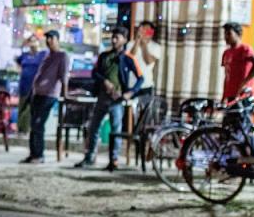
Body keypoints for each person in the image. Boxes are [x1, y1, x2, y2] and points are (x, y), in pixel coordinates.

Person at [75, 26, 143, 171]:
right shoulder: (104, 56)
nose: (114, 40)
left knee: (115, 130)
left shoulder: (128, 58)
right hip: (102, 97)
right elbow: (95, 73)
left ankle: (114, 160)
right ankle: (90, 157)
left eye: (117, 38)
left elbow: (140, 78)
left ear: (124, 40)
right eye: (113, 37)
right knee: (94, 128)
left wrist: (130, 93)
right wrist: (104, 81)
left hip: (117, 100)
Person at [20, 30, 69, 164]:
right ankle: (33, 153)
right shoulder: (47, 55)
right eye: (47, 38)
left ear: (57, 39)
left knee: (38, 124)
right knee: (33, 124)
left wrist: (65, 94)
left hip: (49, 94)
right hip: (37, 93)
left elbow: (64, 75)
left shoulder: (62, 56)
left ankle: (39, 155)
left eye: (51, 38)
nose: (49, 41)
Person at [221, 22, 254, 151]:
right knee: (228, 127)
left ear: (238, 34)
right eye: (225, 34)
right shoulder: (226, 53)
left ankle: (252, 154)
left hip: (244, 95)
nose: (226, 37)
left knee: (242, 127)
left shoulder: (245, 49)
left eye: (229, 34)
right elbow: (226, 75)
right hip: (231, 95)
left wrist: (244, 82)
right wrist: (223, 95)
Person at [15, 34, 47, 135]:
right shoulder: (24, 55)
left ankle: (25, 128)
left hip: (36, 86)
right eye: (30, 41)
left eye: (34, 41)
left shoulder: (42, 54)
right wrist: (22, 44)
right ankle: (19, 129)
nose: (32, 43)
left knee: (30, 109)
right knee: (22, 107)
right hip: (24, 84)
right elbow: (18, 61)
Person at [128, 21, 162, 98]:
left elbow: (149, 61)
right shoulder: (130, 44)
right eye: (142, 30)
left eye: (147, 30)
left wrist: (144, 45)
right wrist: (137, 41)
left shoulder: (156, 47)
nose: (144, 33)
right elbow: (130, 58)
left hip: (146, 84)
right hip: (131, 84)